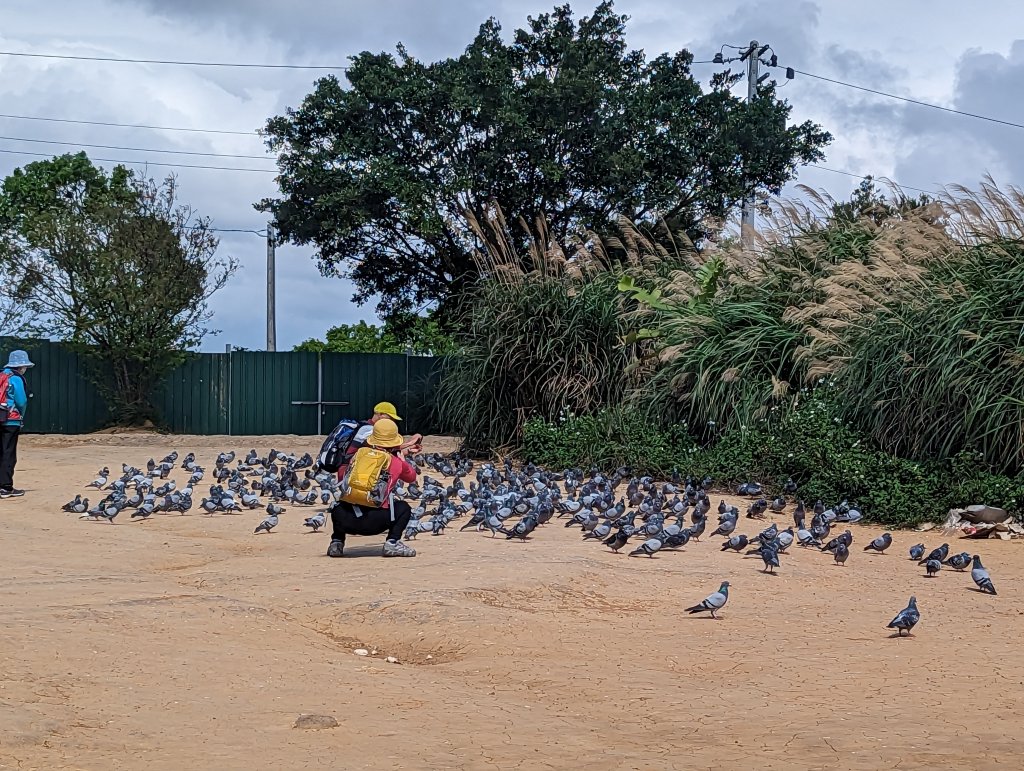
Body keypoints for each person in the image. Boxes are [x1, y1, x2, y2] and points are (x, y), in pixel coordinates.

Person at [327, 418, 419, 558]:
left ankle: (337, 542)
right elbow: (412, 477)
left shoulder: (358, 455)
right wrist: (402, 460)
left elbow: (341, 476)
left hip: (347, 520)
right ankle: (392, 543)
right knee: (403, 508)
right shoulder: (395, 462)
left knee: (338, 506)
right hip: (377, 523)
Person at [336, 401, 423, 479]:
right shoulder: (369, 430)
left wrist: (409, 449)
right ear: (380, 414)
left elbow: (385, 452)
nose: (392, 421)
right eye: (390, 418)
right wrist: (410, 443)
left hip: (355, 472)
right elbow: (385, 450)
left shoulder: (366, 427)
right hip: (352, 473)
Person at [0, 350, 33, 498]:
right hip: (11, 420)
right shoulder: (16, 378)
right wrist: (21, 417)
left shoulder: (1, 375)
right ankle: (6, 487)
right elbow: (22, 401)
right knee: (8, 452)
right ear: (21, 367)